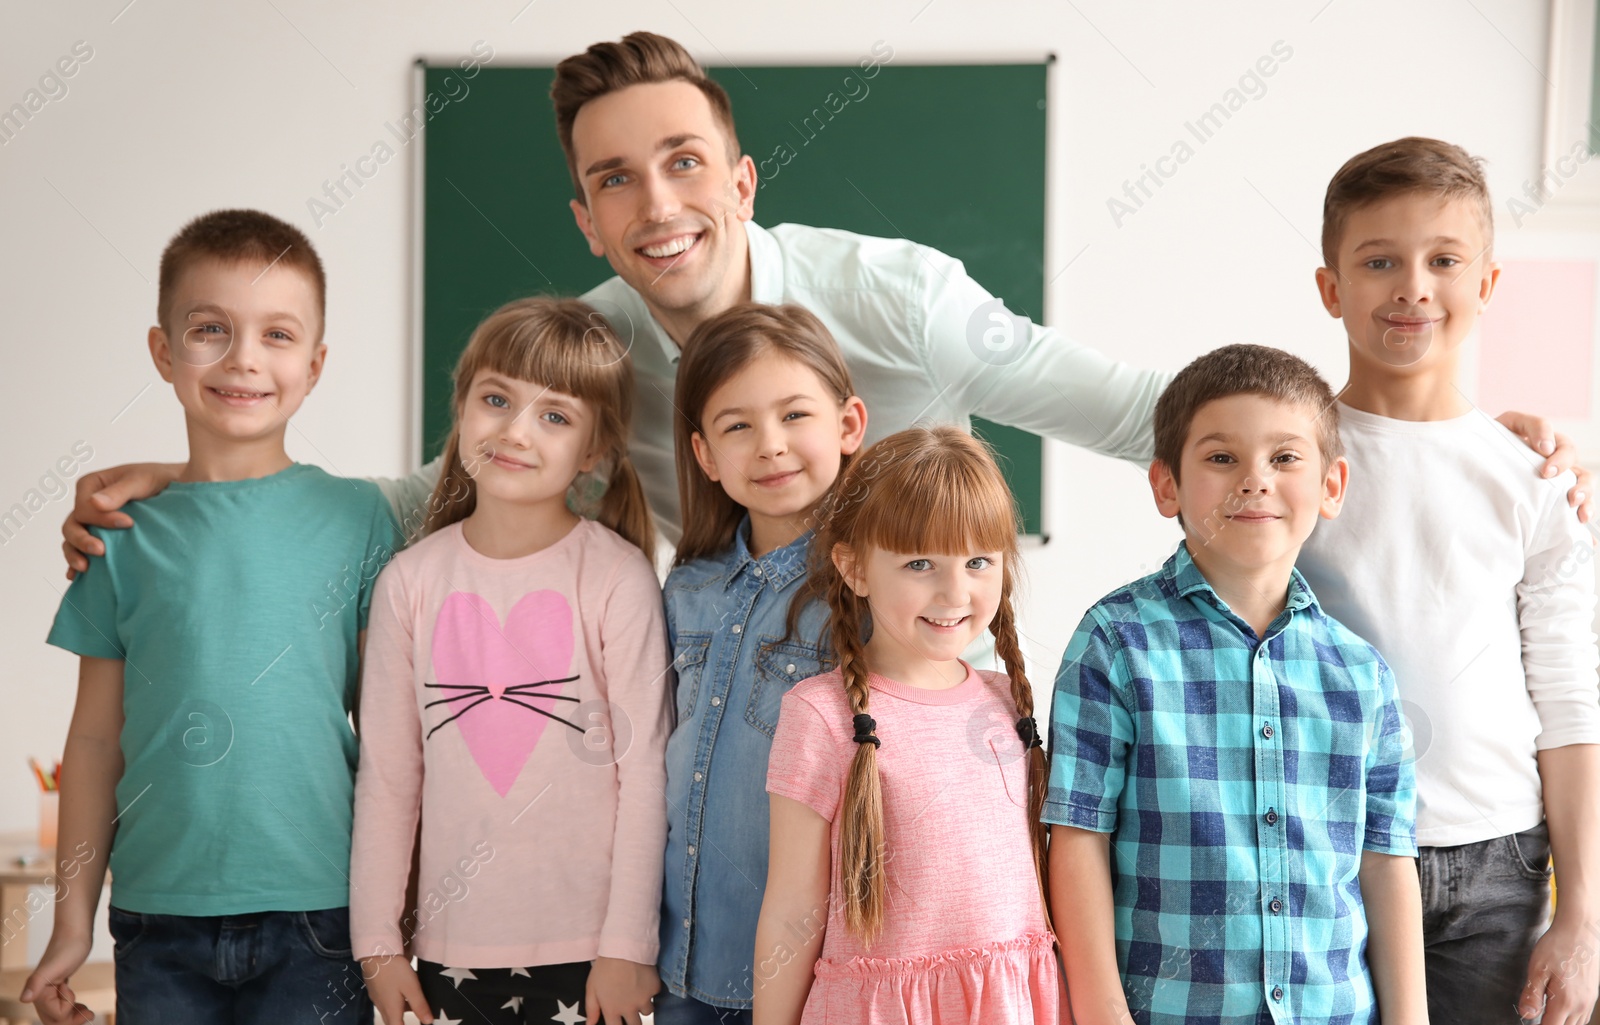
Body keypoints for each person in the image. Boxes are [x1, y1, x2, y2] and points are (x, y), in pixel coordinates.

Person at [57, 33, 1592, 569]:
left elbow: (1147, 409)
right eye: (614, 180)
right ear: (584, 208)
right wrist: (204, 494)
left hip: (921, 683)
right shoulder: (588, 350)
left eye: (681, 164)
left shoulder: (898, 298)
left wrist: (1426, 431)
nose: (655, 205)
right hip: (732, 701)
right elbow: (432, 493)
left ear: (738, 171)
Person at [21, 209, 396, 1025]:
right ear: (162, 351)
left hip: (321, 918)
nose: (243, 358)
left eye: (276, 334)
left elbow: (389, 732)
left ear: (315, 364)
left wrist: (395, 905)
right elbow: (92, 739)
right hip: (158, 922)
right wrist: (72, 918)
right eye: (210, 331)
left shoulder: (360, 518)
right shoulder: (120, 532)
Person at [1297, 137, 1600, 1025]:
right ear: (1331, 287)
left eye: (1443, 260)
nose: (1412, 286)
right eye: (1379, 260)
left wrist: (1580, 914)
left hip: (1499, 865)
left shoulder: (1533, 478)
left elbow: (1569, 698)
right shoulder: (1290, 461)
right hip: (1322, 846)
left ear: (1489, 283)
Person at [1048, 345, 1428, 1025]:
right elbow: (1076, 840)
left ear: (1331, 484)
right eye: (1222, 458)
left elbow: (1386, 862)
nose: (1256, 479)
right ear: (1168, 485)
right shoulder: (1116, 643)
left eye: (1286, 458)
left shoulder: (1361, 672)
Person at [349, 297, 672, 1025]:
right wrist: (376, 944)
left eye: (555, 416)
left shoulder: (618, 577)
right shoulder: (409, 583)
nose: (515, 431)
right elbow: (389, 775)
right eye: (495, 400)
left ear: (594, 451)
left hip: (589, 949)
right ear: (460, 408)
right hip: (453, 946)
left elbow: (645, 771)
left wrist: (628, 942)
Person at [753, 426, 1071, 1025]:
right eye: (920, 563)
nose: (955, 594)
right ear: (854, 566)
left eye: (978, 561)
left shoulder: (1013, 703)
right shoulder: (820, 715)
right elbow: (792, 912)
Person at [654, 303, 867, 1025]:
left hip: (822, 976)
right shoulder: (687, 589)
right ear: (705, 454)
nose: (770, 445)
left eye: (794, 414)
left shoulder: (873, 591)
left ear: (848, 424)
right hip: (688, 969)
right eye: (737, 426)